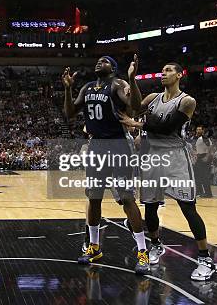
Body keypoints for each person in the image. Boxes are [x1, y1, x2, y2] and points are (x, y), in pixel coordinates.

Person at [120, 55, 216, 281]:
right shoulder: (153, 97)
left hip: (176, 157)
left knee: (187, 207)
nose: (163, 74)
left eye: (168, 70)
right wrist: (132, 80)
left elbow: (166, 127)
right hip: (152, 156)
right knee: (150, 207)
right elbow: (134, 108)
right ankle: (155, 245)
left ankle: (205, 259)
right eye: (162, 71)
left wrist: (138, 125)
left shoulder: (187, 101)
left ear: (179, 75)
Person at [62, 56, 150, 275]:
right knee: (93, 197)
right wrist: (68, 90)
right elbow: (70, 114)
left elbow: (135, 107)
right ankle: (94, 247)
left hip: (119, 144)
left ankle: (142, 251)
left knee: (127, 197)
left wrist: (133, 78)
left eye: (105, 60)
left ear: (114, 67)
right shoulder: (88, 87)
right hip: (96, 145)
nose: (99, 62)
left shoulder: (119, 84)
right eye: (98, 60)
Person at [194, 126, 213, 197]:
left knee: (204, 176)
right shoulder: (199, 139)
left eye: (200, 129)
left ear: (202, 131)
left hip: (204, 157)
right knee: (196, 175)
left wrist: (207, 156)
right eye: (197, 129)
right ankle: (199, 191)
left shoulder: (204, 138)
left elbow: (210, 147)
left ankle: (208, 193)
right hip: (199, 157)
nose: (198, 131)